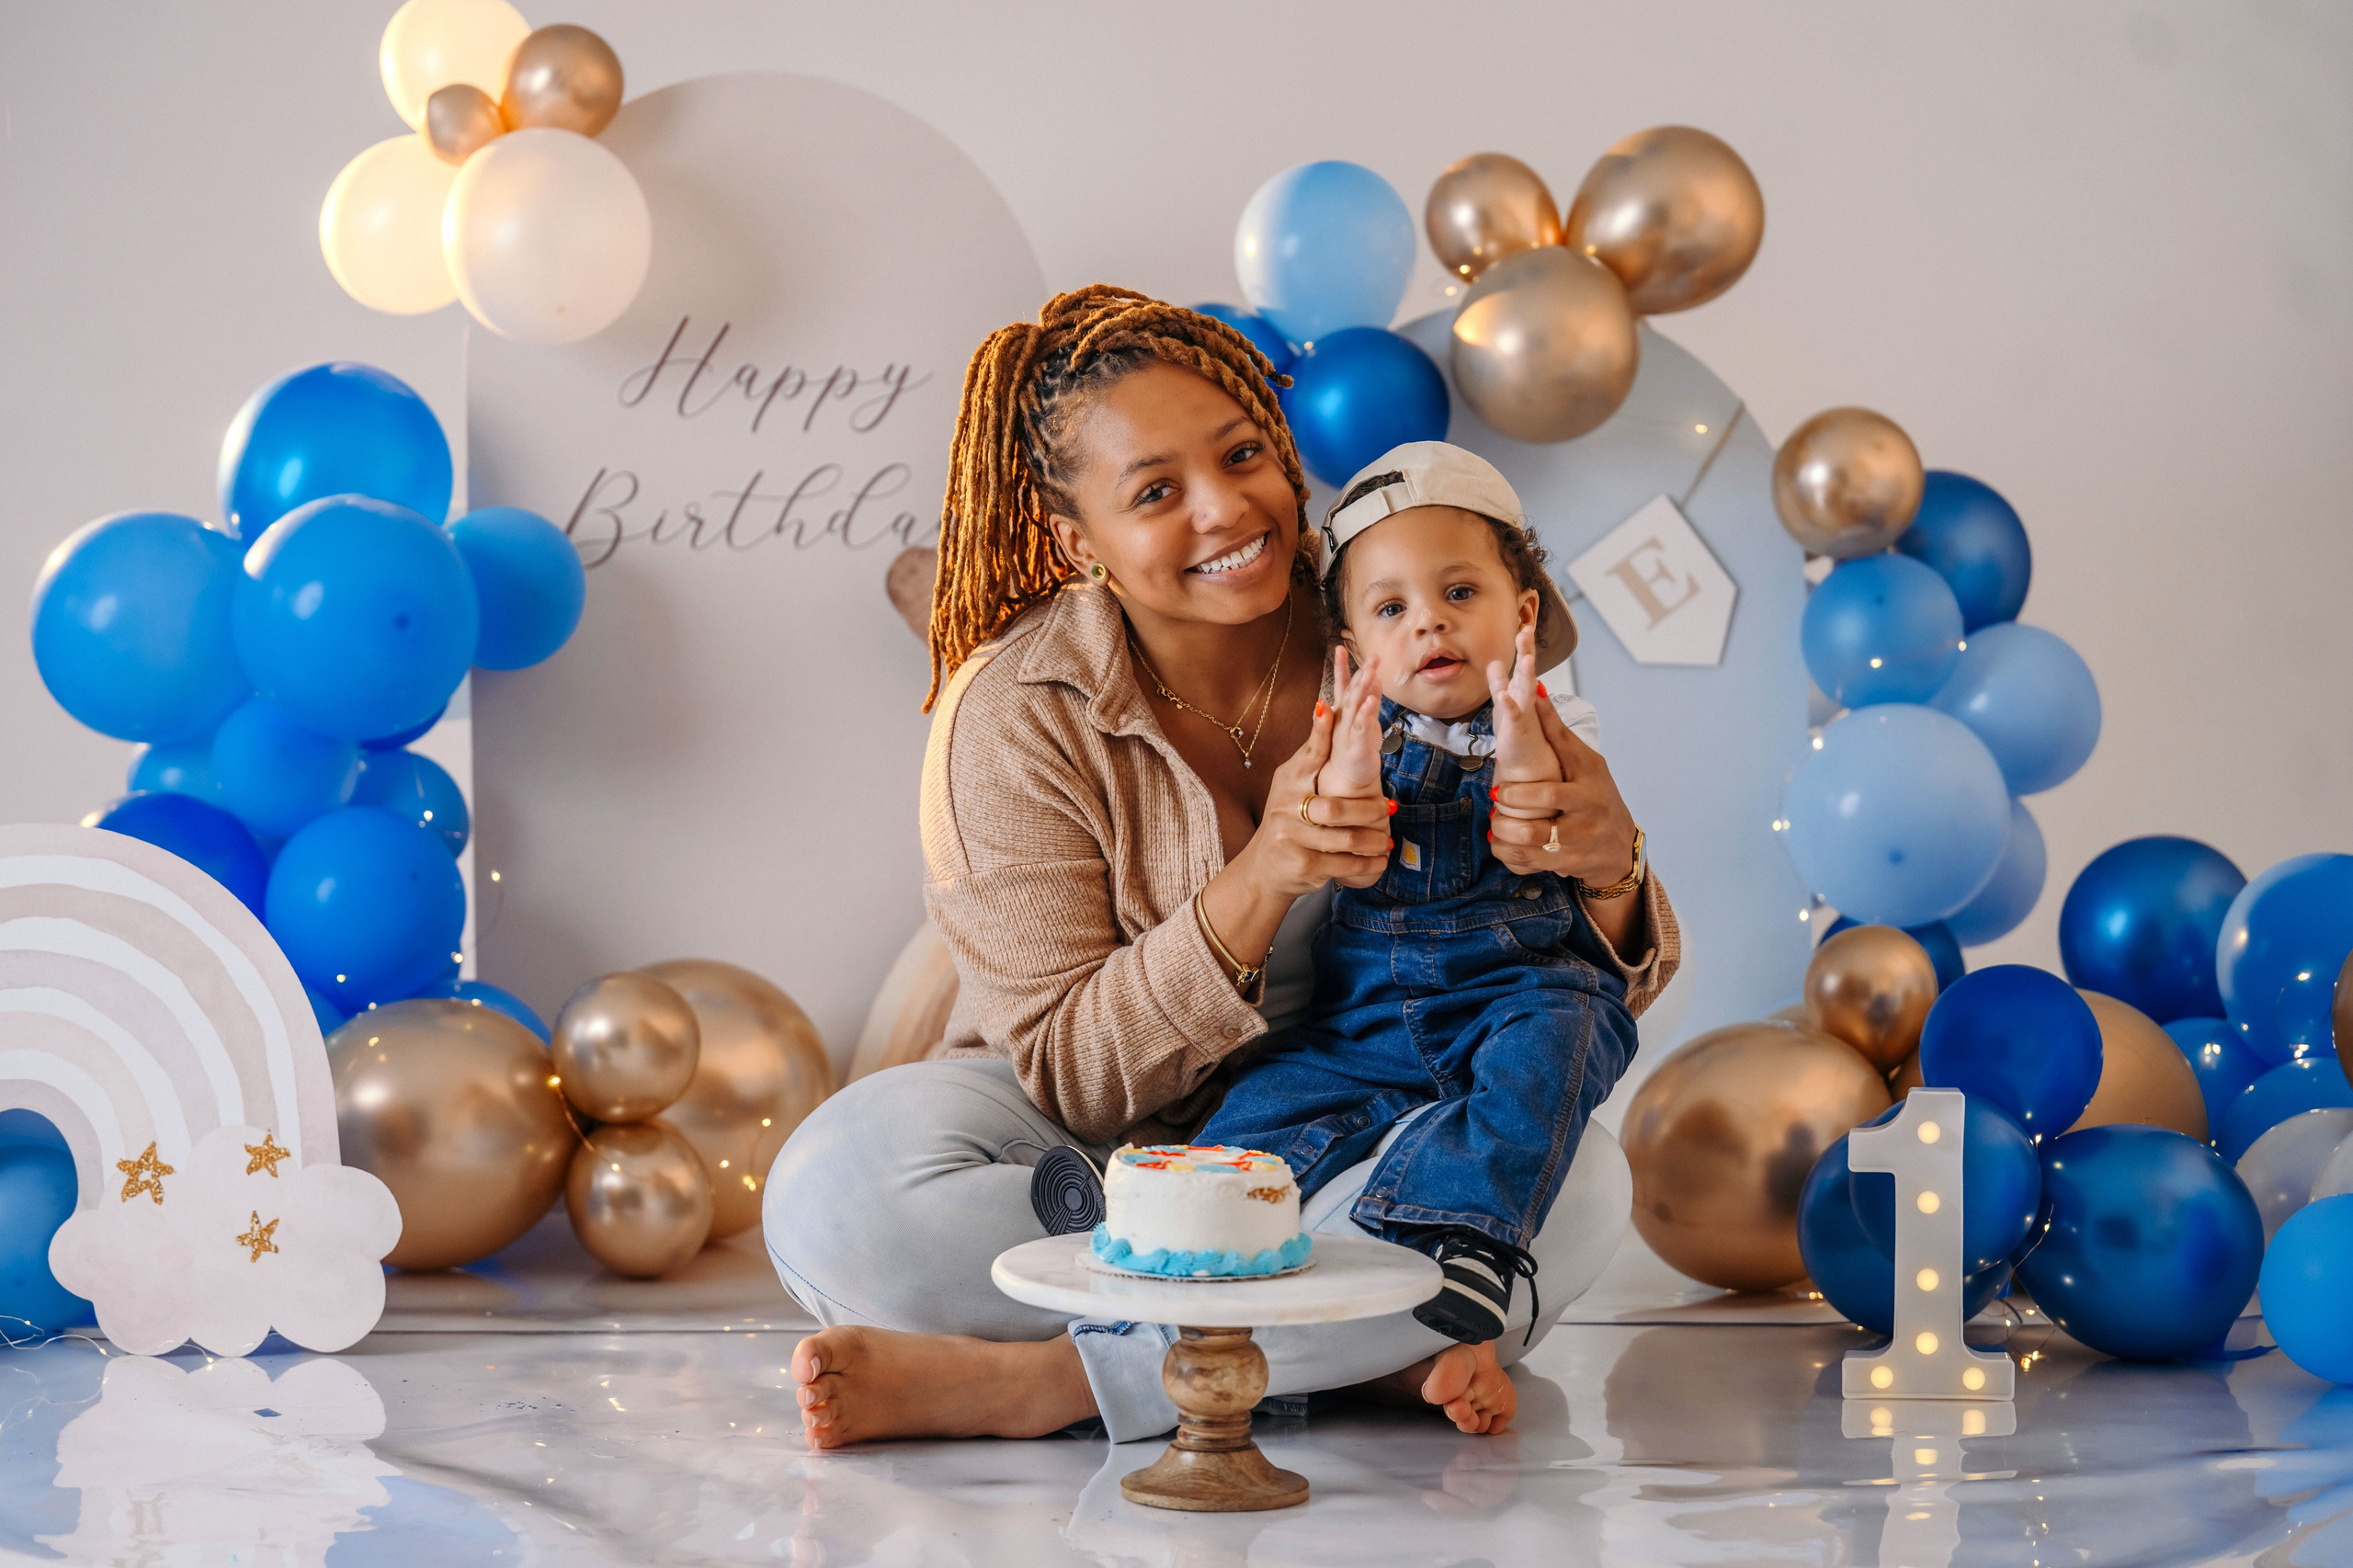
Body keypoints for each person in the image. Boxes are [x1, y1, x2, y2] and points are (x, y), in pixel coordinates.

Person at [763, 286, 1679, 1449]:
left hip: (1370, 1115)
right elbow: (1071, 1075)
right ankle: (1349, 1352)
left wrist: (1612, 870)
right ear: (1075, 540)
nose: (1224, 508)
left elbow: (1565, 983)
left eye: (1243, 454)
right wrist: (1264, 875)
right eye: (1155, 491)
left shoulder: (1400, 600)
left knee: (1580, 1179)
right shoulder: (1012, 711)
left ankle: (1061, 1381)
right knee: (835, 1188)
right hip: (1106, 1148)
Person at [1194, 441, 1643, 1346]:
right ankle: (1194, 1224)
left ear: (1523, 615)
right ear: (1355, 654)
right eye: (1393, 609)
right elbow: (1351, 846)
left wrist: (1518, 730)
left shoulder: (1559, 720)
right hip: (1368, 1013)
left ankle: (1464, 1241)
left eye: (1460, 594)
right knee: (1267, 1100)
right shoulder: (1349, 733)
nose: (1430, 623)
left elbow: (1534, 802)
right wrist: (1351, 767)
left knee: (1558, 1053)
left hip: (1518, 990)